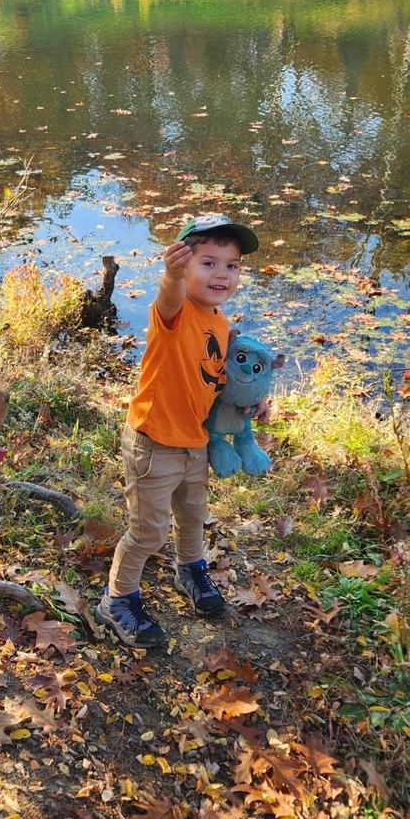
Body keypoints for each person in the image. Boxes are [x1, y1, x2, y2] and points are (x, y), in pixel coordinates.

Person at [95, 213, 267, 647]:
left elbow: (222, 380)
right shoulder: (174, 313)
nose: (221, 274)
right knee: (148, 531)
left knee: (193, 517)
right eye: (207, 262)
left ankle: (191, 571)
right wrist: (170, 276)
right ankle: (117, 598)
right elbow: (168, 297)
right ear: (184, 264)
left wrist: (254, 401)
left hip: (196, 443)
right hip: (154, 444)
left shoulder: (222, 324)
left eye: (231, 265)